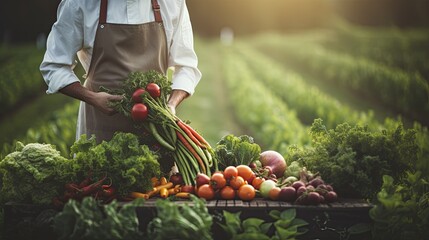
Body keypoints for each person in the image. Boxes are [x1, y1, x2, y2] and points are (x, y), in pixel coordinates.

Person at [40, 0, 201, 142]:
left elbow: (186, 65)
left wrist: (171, 105)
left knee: (160, 177)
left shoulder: (172, 3)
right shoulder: (80, 4)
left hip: (157, 127)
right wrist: (93, 97)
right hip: (100, 126)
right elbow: (54, 65)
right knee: (98, 175)